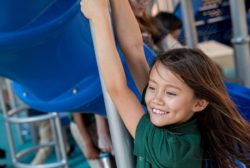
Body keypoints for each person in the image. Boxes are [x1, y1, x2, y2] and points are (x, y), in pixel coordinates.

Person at [81, 0, 250, 168]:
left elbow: (117, 90)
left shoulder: (171, 152)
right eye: (152, 87)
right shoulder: (184, 120)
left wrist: (98, 16)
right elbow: (134, 48)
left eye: (170, 93)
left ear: (199, 103)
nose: (157, 99)